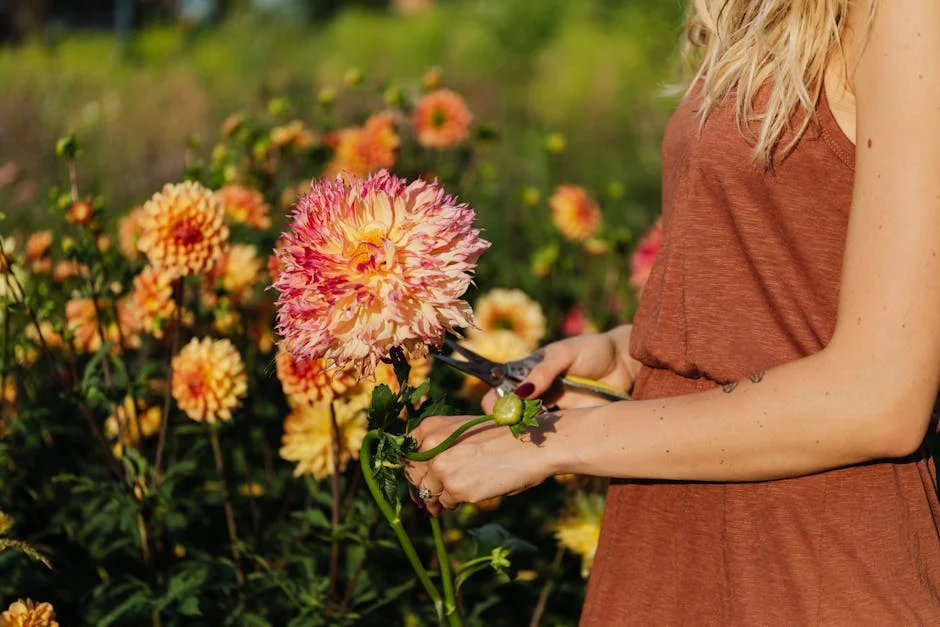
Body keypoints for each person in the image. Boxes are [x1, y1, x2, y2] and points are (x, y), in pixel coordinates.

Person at [406, 0, 940, 623]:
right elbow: (790, 296)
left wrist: (544, 442)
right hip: (668, 548)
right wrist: (634, 356)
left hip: (810, 566)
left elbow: (879, 397)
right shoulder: (762, 14)